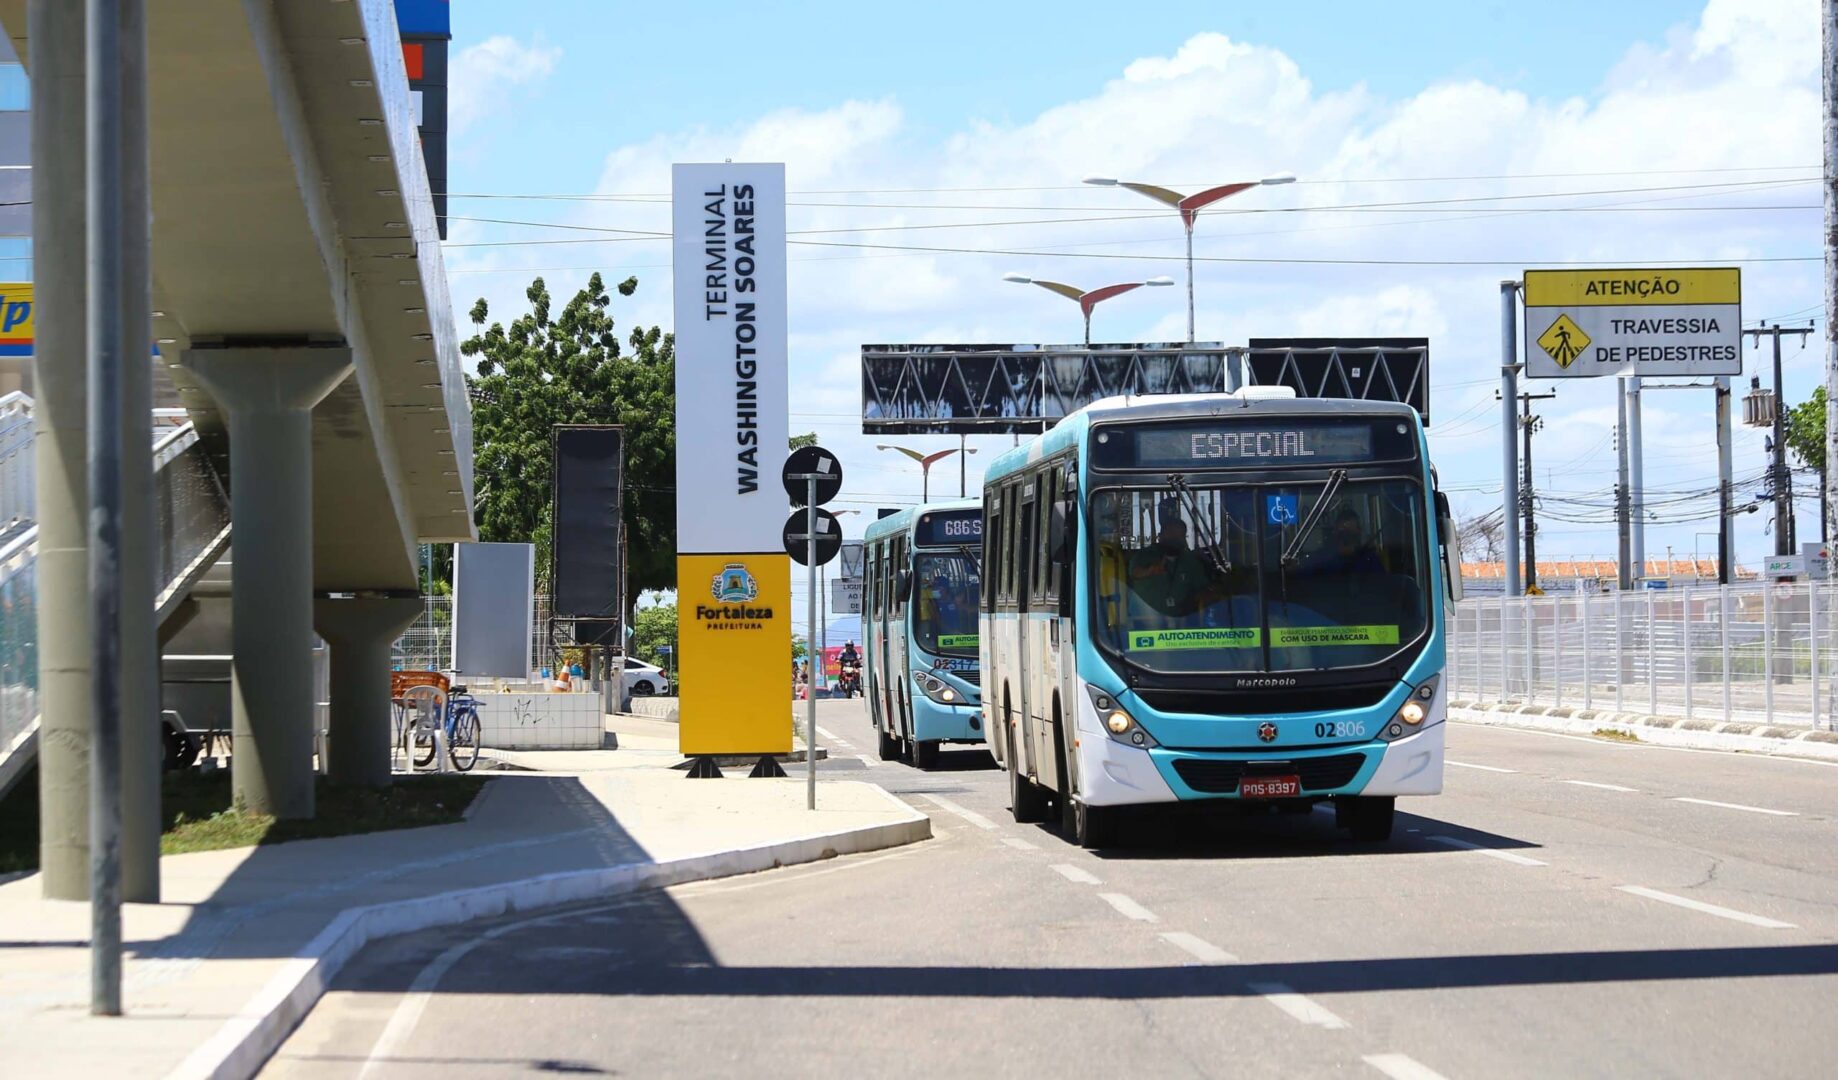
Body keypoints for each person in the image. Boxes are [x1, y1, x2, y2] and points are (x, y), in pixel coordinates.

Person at [1314, 507, 1384, 576]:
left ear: (1359, 532)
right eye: (1342, 533)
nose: (1346, 537)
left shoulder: (1369, 559)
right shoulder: (1322, 559)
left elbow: (1381, 580)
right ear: (1335, 532)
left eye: (1350, 533)